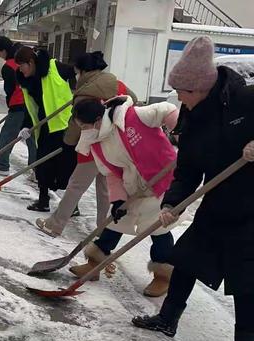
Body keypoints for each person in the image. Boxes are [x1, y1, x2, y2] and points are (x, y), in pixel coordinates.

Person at [131, 36, 254, 341]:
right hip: (217, 202)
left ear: (201, 87)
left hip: (251, 208)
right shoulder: (193, 116)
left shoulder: (246, 100)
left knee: (246, 279)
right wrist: (173, 202)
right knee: (185, 259)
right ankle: (167, 319)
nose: (179, 100)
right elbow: (188, 169)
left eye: (184, 92)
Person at [69, 96, 179, 297]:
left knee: (157, 227)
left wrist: (181, 133)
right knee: (115, 222)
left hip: (162, 180)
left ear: (97, 120)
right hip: (132, 186)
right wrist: (118, 200)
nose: (83, 131)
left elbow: (168, 109)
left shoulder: (132, 116)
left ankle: (164, 276)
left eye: (84, 126)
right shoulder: (96, 142)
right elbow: (111, 173)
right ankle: (94, 263)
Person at [36, 51, 138, 236]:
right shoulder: (117, 84)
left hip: (92, 149)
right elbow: (135, 100)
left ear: (84, 72)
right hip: (115, 148)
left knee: (75, 187)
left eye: (77, 72)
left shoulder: (84, 94)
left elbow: (75, 127)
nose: (76, 76)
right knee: (106, 190)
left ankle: (55, 225)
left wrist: (68, 142)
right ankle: (102, 231)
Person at [15, 46, 77, 212]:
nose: (20, 70)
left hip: (64, 126)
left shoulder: (55, 68)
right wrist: (26, 126)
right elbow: (31, 107)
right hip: (44, 127)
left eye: (22, 65)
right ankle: (43, 201)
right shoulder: (27, 81)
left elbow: (77, 72)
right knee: (42, 165)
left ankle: (73, 206)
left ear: (31, 62)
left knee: (64, 167)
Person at [0, 36, 36, 176]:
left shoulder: (9, 66)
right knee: (32, 138)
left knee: (7, 135)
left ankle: (2, 166)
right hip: (31, 105)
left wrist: (12, 107)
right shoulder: (24, 59)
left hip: (18, 105)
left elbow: (10, 90)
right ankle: (36, 170)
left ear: (4, 50)